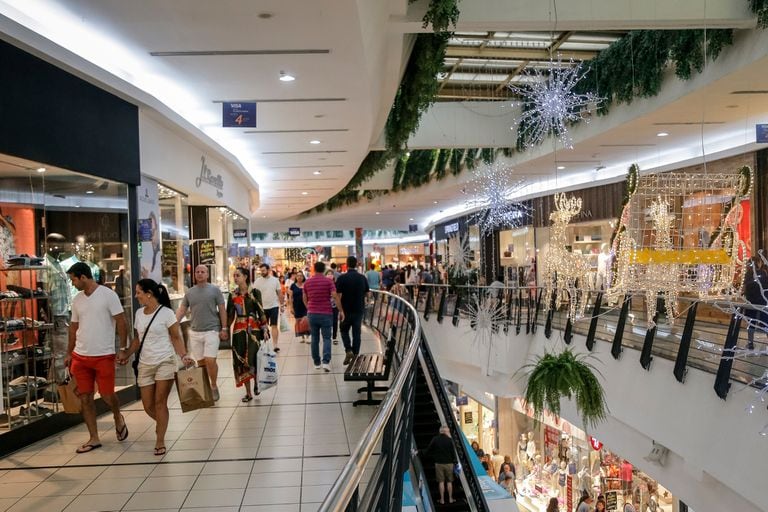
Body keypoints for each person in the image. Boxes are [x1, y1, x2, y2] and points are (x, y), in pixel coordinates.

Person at [118, 279, 193, 455]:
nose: (136, 296)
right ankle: (162, 423)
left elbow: (176, 337)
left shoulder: (167, 313)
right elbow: (138, 339)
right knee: (147, 405)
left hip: (165, 361)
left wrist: (183, 355)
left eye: (138, 292)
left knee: (160, 403)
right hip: (145, 363)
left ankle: (160, 440)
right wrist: (127, 354)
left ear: (149, 294)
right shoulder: (139, 314)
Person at [65, 262, 129, 454]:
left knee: (108, 395)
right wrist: (69, 353)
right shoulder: (77, 300)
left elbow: (121, 321)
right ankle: (94, 437)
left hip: (104, 355)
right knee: (85, 398)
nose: (73, 283)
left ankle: (117, 416)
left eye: (74, 279)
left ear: (83, 277)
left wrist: (123, 348)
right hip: (81, 356)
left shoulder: (108, 295)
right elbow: (73, 328)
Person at [176, 265, 228, 401]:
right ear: (194, 274)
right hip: (195, 332)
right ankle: (204, 388)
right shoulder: (190, 293)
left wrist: (224, 328)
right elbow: (182, 310)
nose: (200, 274)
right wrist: (173, 324)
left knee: (210, 360)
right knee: (201, 363)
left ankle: (214, 385)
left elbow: (222, 310)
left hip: (212, 330)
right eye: (197, 272)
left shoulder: (215, 290)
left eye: (202, 272)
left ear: (207, 274)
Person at [227, 267, 267, 402]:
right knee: (240, 361)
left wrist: (265, 329)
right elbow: (230, 315)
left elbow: (261, 311)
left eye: (238, 275)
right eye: (234, 276)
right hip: (238, 330)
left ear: (245, 277)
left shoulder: (255, 292)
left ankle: (257, 383)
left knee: (253, 358)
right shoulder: (232, 295)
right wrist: (225, 329)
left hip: (253, 330)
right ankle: (248, 392)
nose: (235, 278)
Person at [303, 261, 340, 372]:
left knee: (314, 338)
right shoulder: (328, 281)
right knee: (327, 338)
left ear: (314, 269)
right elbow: (335, 296)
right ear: (324, 269)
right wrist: (341, 310)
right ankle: (326, 362)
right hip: (326, 313)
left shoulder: (308, 282)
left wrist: (309, 307)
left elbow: (304, 298)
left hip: (312, 313)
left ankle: (316, 362)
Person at [335, 256, 369, 365]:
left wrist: (340, 310)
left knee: (344, 330)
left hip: (345, 310)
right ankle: (355, 355)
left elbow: (338, 296)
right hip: (359, 309)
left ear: (347, 264)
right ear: (356, 264)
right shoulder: (362, 278)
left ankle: (348, 350)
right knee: (356, 333)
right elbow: (367, 293)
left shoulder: (341, 278)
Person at [252, 263, 284, 352]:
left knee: (274, 325)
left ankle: (275, 345)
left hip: (274, 306)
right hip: (262, 308)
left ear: (268, 270)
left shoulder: (275, 280)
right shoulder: (257, 281)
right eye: (261, 271)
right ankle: (264, 344)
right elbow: (254, 295)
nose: (262, 272)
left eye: (263, 270)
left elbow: (279, 293)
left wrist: (282, 305)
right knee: (263, 326)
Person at [424, 425, 457, 505]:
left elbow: (429, 449)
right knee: (449, 482)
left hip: (439, 464)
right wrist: (455, 461)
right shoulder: (449, 440)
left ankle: (442, 500)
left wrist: (421, 453)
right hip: (449, 463)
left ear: (440, 431)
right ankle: (450, 499)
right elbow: (453, 452)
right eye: (448, 431)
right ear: (445, 432)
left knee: (441, 482)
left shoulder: (435, 439)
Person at [743, 255, 768, 350]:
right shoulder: (763, 272)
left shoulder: (748, 274)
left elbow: (745, 288)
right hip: (763, 301)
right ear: (758, 263)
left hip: (751, 303)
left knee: (751, 323)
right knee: (766, 323)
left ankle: (750, 344)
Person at [288, 271, 308, 342]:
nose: (299, 277)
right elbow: (290, 297)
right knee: (298, 321)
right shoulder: (293, 286)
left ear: (303, 277)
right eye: (298, 276)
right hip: (296, 306)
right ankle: (302, 337)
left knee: (306, 320)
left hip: (305, 305)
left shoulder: (306, 285)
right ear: (296, 277)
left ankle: (307, 337)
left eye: (301, 276)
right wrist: (291, 307)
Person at [325, 269, 340, 344]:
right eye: (328, 274)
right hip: (326, 306)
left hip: (335, 305)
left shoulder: (336, 284)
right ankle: (328, 336)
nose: (330, 275)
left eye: (331, 274)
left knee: (335, 321)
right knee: (327, 321)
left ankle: (334, 337)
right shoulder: (324, 284)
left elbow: (339, 294)